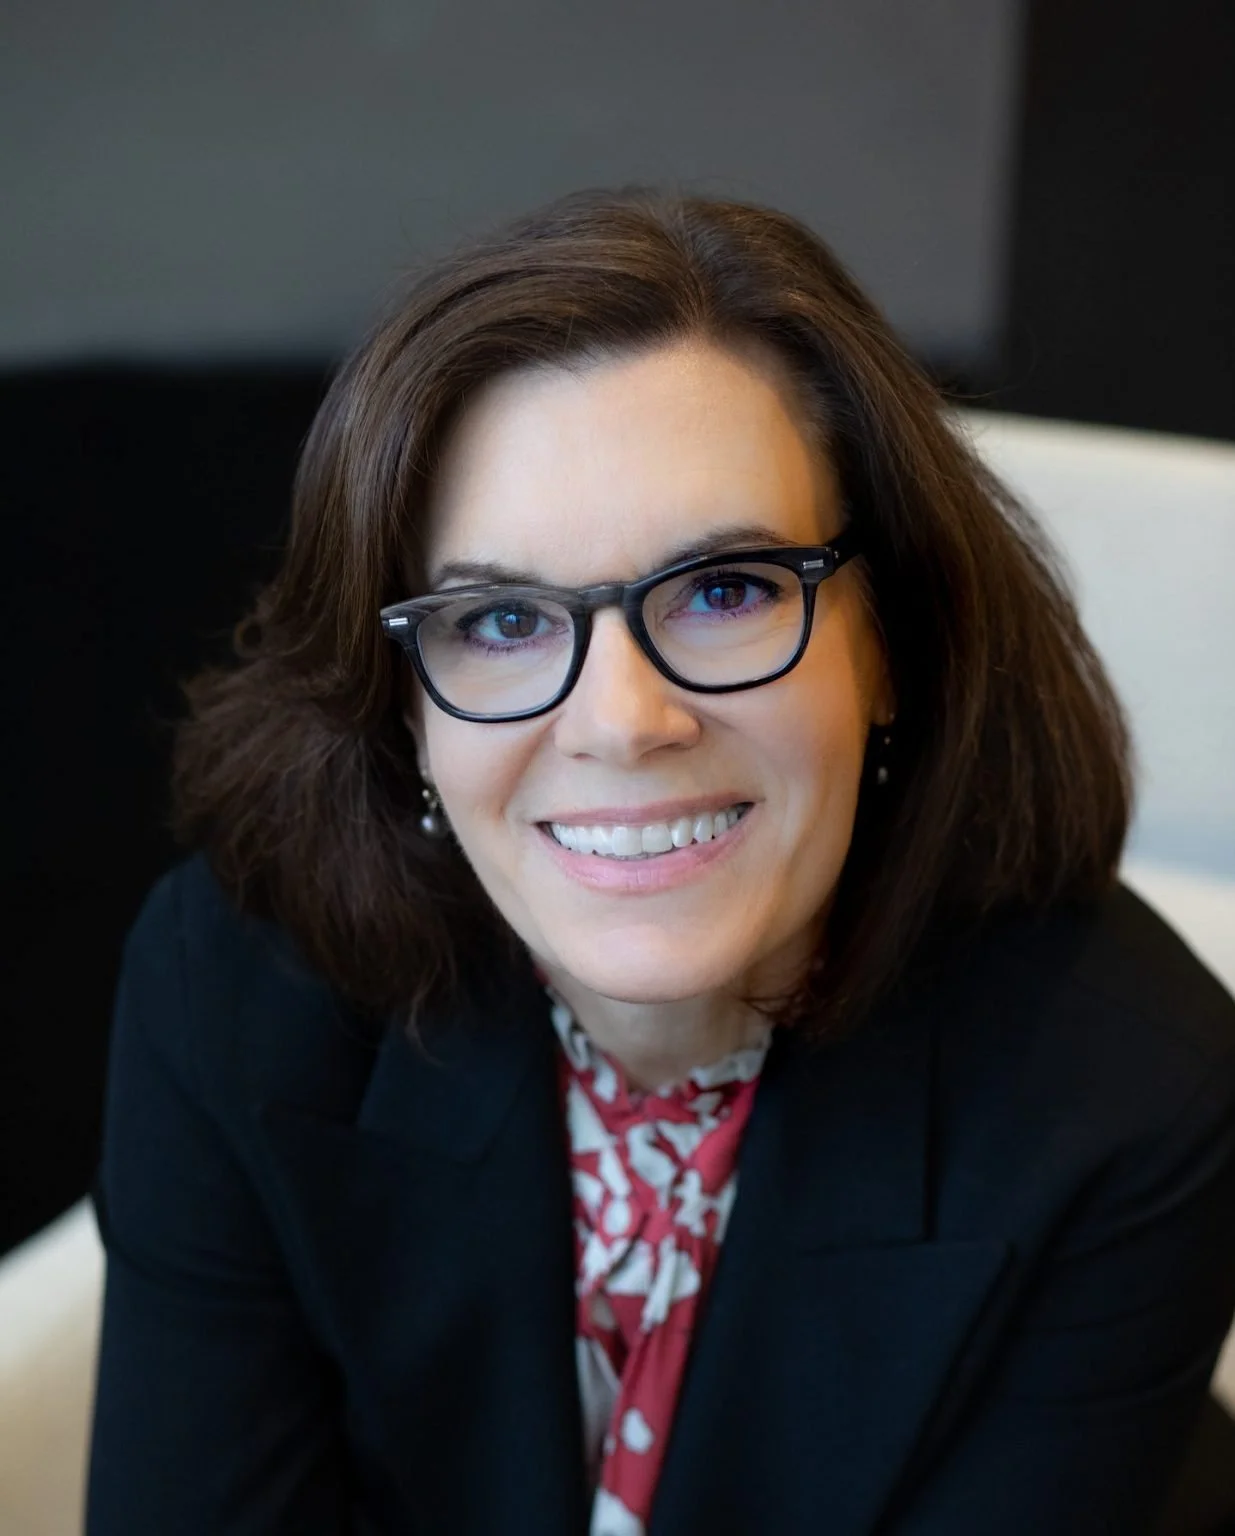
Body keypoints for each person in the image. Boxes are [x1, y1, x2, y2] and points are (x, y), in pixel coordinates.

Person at [86, 187, 1235, 1536]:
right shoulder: (229, 989)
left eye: (726, 590)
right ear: (399, 708)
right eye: (499, 619)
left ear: (891, 645)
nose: (624, 722)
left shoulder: (1128, 1096)